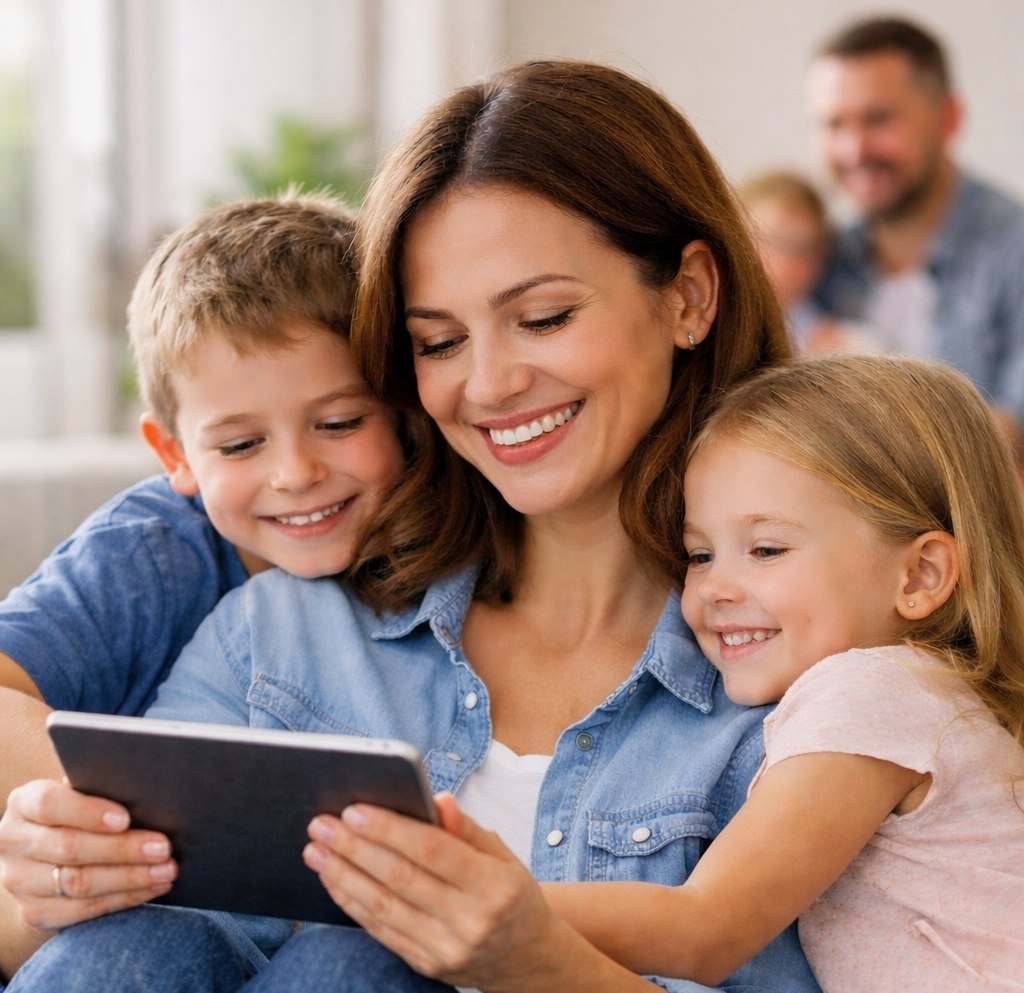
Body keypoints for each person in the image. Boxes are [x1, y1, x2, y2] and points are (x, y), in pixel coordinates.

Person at [0, 59, 822, 992]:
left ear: (689, 296)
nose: (490, 383)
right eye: (438, 342)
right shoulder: (279, 625)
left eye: (542, 317)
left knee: (363, 954)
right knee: (142, 941)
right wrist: (55, 872)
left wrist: (540, 963)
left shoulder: (794, 676)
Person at [0, 191, 406, 982]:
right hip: (141, 911)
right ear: (175, 454)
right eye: (242, 442)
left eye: (339, 423)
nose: (296, 473)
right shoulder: (150, 550)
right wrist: (157, 810)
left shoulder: (437, 538)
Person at [537, 354, 1024, 990]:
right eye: (700, 555)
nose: (714, 588)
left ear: (919, 576)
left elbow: (706, 929)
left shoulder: (872, 691)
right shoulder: (935, 694)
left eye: (767, 549)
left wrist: (498, 902)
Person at [807, 15, 1024, 463]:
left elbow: (1013, 438)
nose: (854, 151)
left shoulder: (1013, 250)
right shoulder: (822, 261)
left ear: (948, 118)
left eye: (879, 119)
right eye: (834, 125)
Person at [737, 169, 883, 355]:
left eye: (809, 249)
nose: (795, 263)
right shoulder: (709, 323)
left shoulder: (841, 343)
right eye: (775, 241)